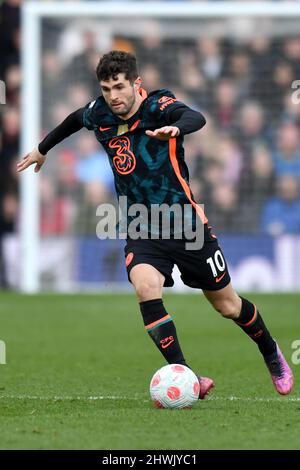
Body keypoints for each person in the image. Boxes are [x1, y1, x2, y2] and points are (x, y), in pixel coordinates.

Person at [17, 50, 294, 398]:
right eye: (106, 88)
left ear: (136, 83)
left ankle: (270, 352)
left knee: (228, 305)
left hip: (186, 224)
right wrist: (44, 148)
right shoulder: (99, 112)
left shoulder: (158, 106)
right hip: (140, 225)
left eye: (119, 87)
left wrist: (176, 128)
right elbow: (75, 118)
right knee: (146, 288)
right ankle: (187, 375)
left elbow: (195, 117)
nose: (113, 96)